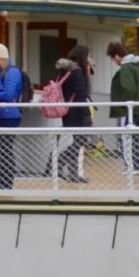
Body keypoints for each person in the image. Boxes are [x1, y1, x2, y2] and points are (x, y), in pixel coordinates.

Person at [0, 43, 28, 191]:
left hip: (9, 116)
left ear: (2, 58)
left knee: (4, 148)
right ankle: (0, 180)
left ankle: (6, 182)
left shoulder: (12, 73)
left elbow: (8, 95)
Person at [106, 40, 139, 172]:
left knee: (126, 137)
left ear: (117, 56)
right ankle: (136, 165)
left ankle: (130, 166)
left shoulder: (126, 68)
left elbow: (128, 89)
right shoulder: (136, 66)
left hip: (129, 109)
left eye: (113, 59)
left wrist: (122, 102)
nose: (114, 62)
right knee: (135, 137)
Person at [54, 48, 93, 183]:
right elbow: (81, 94)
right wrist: (87, 112)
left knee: (76, 142)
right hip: (77, 112)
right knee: (80, 142)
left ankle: (71, 171)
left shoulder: (64, 71)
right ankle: (60, 163)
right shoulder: (77, 72)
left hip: (67, 111)